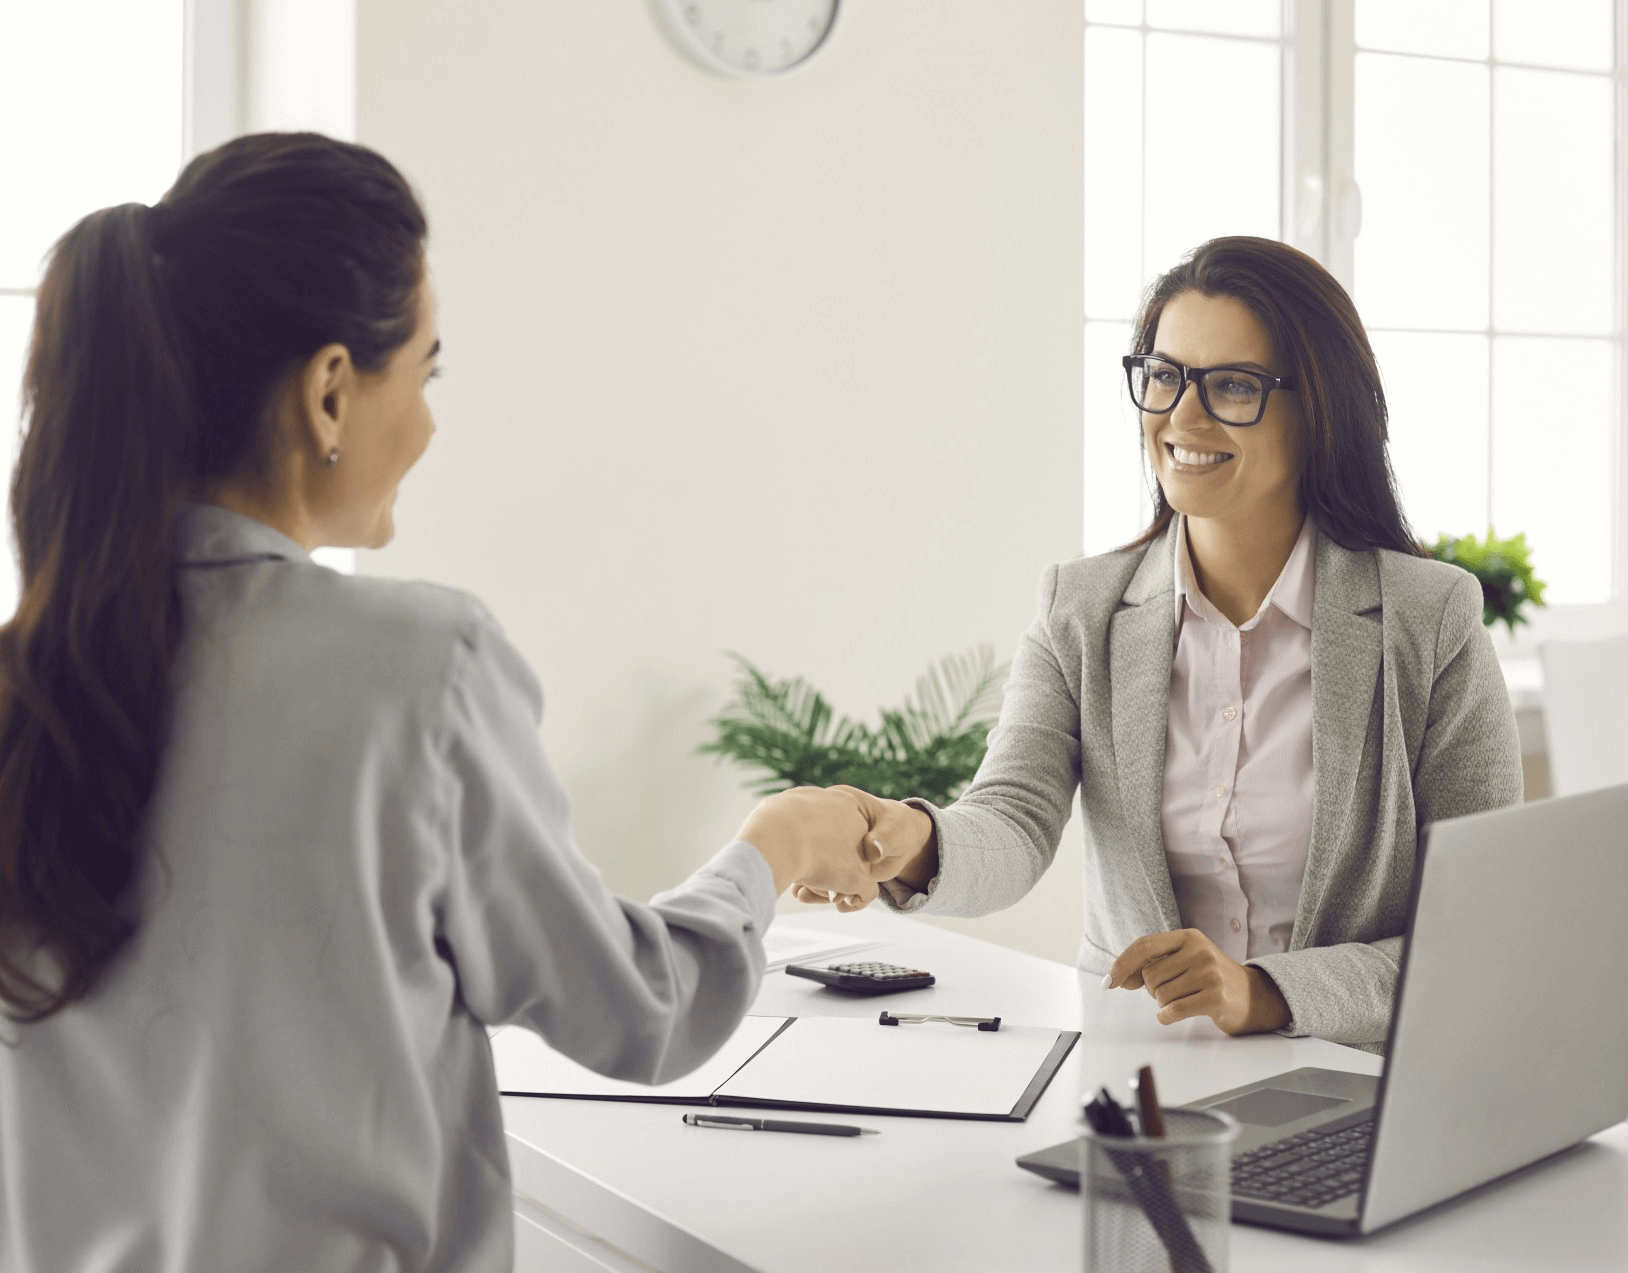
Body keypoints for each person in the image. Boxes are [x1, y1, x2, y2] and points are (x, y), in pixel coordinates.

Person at [0, 133, 888, 1273]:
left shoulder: (30, 682)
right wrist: (770, 847)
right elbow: (639, 1009)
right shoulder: (414, 665)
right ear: (330, 390)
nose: (426, 421)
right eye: (424, 371)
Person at [795, 236, 1523, 1054]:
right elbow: (1013, 817)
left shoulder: (1431, 619)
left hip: (1360, 1090)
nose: (1182, 414)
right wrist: (909, 841)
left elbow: (1479, 933)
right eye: (1165, 374)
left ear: (1320, 411)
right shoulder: (1082, 608)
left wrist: (1267, 993)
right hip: (1142, 1081)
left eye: (1235, 385)